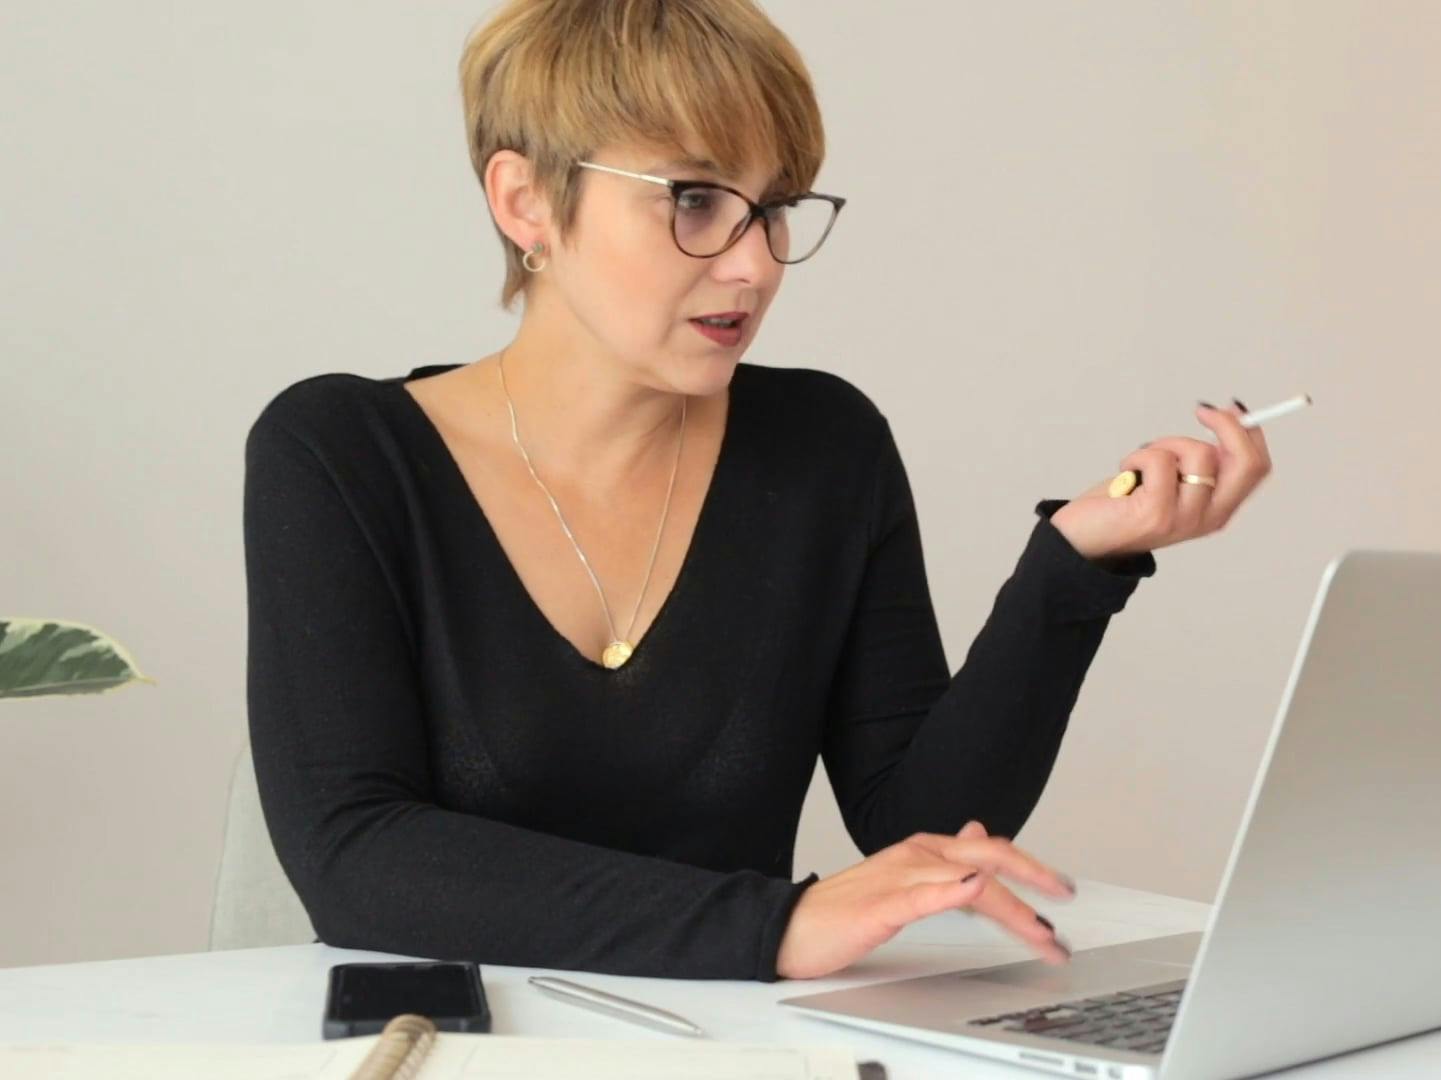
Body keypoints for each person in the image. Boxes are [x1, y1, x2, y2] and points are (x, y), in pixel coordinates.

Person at [242, 0, 1271, 983]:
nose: (755, 266)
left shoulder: (824, 447)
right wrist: (773, 927)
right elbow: (354, 856)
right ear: (526, 202)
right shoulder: (340, 455)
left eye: (773, 208)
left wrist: (1075, 566)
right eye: (694, 200)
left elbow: (923, 827)